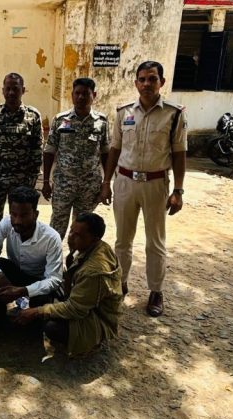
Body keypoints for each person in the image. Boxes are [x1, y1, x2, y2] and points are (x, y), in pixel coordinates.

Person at [98, 60, 187, 317]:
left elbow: (179, 154)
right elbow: (115, 149)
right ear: (136, 83)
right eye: (142, 79)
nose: (147, 84)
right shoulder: (124, 112)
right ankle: (120, 284)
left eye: (152, 79)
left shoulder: (174, 114)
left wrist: (178, 191)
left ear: (162, 82)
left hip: (156, 184)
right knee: (122, 240)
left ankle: (156, 291)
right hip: (125, 182)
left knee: (155, 242)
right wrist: (106, 183)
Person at [13, 213, 122, 356]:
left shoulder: (94, 271)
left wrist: (37, 311)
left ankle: (92, 341)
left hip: (97, 318)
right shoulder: (96, 247)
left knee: (51, 327)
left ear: (94, 239)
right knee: (47, 287)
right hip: (87, 302)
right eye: (71, 231)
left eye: (78, 235)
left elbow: (75, 309)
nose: (70, 237)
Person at [0, 72, 43, 233]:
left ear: (23, 90)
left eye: (16, 89)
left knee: (22, 218)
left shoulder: (33, 116)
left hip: (22, 180)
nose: (11, 92)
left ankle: (19, 248)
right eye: (8, 88)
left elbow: (37, 149)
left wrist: (32, 179)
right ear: (3, 90)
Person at [42, 78, 109, 240]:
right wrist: (45, 181)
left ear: (94, 95)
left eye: (85, 94)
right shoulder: (61, 120)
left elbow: (105, 153)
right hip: (63, 184)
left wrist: (106, 183)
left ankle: (78, 255)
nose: (80, 97)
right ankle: (54, 254)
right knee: (57, 226)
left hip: (89, 186)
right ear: (72, 95)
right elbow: (49, 151)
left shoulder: (101, 122)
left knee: (83, 228)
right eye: (77, 93)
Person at [0, 186, 63, 322]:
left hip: (37, 280)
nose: (17, 221)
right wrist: (0, 276)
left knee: (41, 305)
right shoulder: (7, 223)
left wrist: (22, 291)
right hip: (14, 273)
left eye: (24, 215)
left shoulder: (51, 238)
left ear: (35, 214)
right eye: (14, 214)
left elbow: (54, 279)